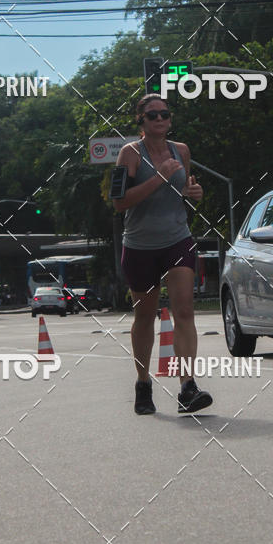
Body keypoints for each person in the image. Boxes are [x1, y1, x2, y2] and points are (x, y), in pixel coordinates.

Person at [113, 93, 213, 415]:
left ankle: (188, 387)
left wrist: (192, 193)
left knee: (184, 311)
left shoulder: (180, 151)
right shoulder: (129, 154)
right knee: (145, 316)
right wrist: (159, 177)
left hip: (177, 239)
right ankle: (143, 383)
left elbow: (182, 191)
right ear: (140, 121)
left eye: (164, 114)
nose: (159, 119)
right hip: (140, 245)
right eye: (152, 115)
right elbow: (119, 202)